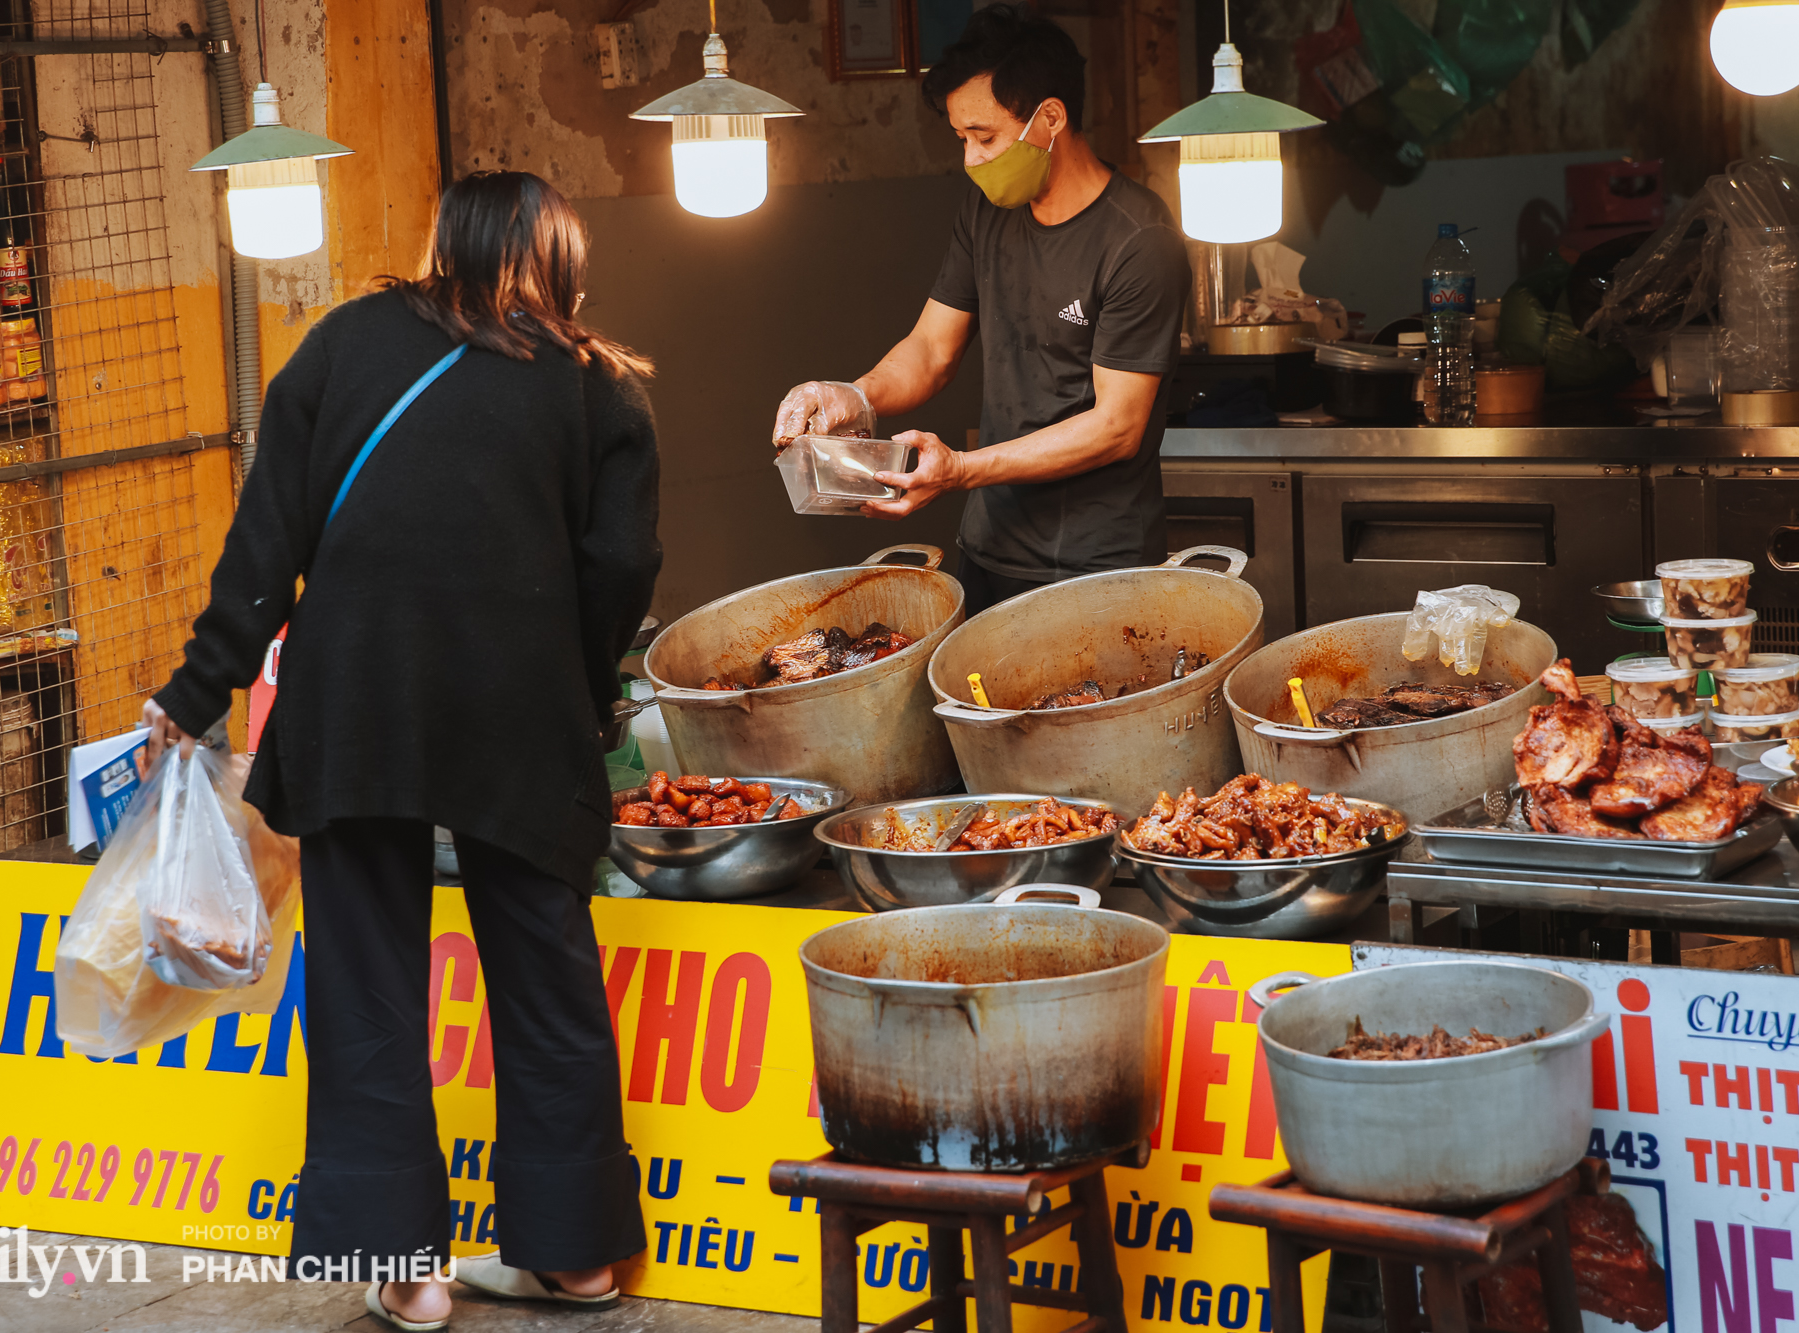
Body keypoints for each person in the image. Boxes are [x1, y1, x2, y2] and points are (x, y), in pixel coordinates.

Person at [141, 171, 661, 1331]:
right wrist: (569, 680)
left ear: (441, 243)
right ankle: (574, 1258)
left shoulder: (339, 346)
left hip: (355, 702)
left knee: (368, 980)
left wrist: (194, 690)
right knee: (546, 973)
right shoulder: (593, 383)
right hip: (518, 714)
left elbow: (264, 545)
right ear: (550, 253)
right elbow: (623, 563)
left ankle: (408, 1272)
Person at [772, 4, 1190, 618]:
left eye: (985, 137)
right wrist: (853, 396)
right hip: (989, 547)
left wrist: (962, 469)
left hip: (1096, 565)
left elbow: (1117, 427)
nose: (970, 160)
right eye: (961, 138)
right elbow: (932, 350)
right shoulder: (988, 211)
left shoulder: (1138, 240)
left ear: (1050, 117)